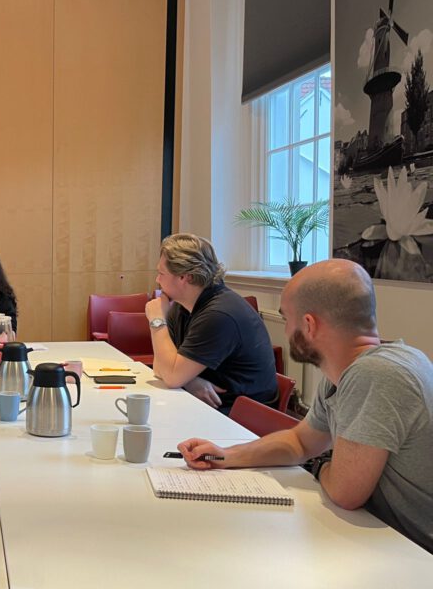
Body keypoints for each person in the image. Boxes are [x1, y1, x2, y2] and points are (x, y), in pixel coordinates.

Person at [179, 259, 433, 552]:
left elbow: (344, 492)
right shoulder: (350, 370)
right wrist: (225, 456)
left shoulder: (374, 375)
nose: (286, 331)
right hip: (390, 541)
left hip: (415, 554)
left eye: (287, 319)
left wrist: (318, 463)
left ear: (309, 325)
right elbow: (300, 441)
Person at [145, 233, 276, 413]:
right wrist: (190, 381)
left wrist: (157, 321)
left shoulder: (219, 315)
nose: (157, 280)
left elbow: (171, 377)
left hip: (242, 417)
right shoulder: (181, 306)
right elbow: (161, 366)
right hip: (209, 404)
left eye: (161, 273)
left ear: (185, 277)